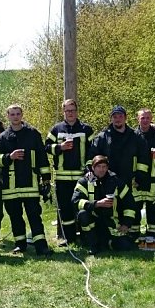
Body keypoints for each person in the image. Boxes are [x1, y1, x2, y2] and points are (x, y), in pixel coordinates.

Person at [0, 104, 52, 255]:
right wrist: (9, 157)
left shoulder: (33, 134)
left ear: (22, 115)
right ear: (8, 116)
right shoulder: (2, 138)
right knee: (15, 217)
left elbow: (42, 158)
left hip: (30, 184)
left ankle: (41, 245)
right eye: (12, 114)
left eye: (18, 114)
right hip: (10, 187)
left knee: (34, 216)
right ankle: (20, 244)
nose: (15, 117)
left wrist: (46, 180)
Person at [90, 105, 150, 237]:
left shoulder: (136, 136)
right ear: (111, 119)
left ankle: (133, 233)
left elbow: (144, 158)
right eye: (114, 117)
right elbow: (93, 158)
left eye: (120, 116)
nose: (117, 119)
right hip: (108, 181)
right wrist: (94, 175)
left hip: (130, 179)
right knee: (111, 208)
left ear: (125, 118)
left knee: (131, 205)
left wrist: (139, 176)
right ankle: (110, 234)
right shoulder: (102, 137)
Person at [45, 99, 94, 247]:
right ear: (63, 112)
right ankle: (69, 238)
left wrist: (89, 168)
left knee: (82, 206)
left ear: (77, 111)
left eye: (72, 110)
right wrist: (60, 147)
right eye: (67, 110)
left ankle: (86, 236)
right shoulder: (56, 129)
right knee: (65, 207)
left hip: (82, 177)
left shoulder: (86, 129)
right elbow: (46, 147)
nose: (70, 113)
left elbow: (93, 151)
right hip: (62, 177)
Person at [71, 155, 137, 255]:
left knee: (125, 246)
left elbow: (130, 203)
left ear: (107, 168)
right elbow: (75, 201)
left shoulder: (115, 182)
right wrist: (97, 204)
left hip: (111, 222)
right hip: (92, 220)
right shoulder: (84, 181)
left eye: (104, 167)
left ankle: (106, 242)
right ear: (93, 167)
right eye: (98, 167)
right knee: (82, 214)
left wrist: (126, 223)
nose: (101, 170)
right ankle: (93, 245)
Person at [134, 108, 155, 236]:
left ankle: (152, 232)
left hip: (154, 178)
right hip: (137, 179)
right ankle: (134, 232)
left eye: (148, 118)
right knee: (135, 207)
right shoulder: (133, 136)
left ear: (151, 119)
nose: (145, 120)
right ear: (138, 119)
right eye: (142, 117)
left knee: (153, 206)